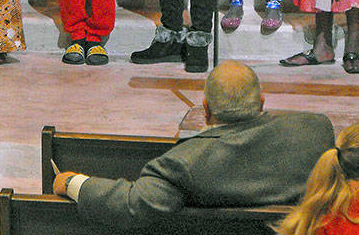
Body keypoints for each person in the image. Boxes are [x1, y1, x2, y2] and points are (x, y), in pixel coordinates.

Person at [53, 60, 334, 230]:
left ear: (206, 110)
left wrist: (73, 183)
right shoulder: (316, 131)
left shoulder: (182, 163)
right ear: (262, 103)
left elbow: (133, 204)